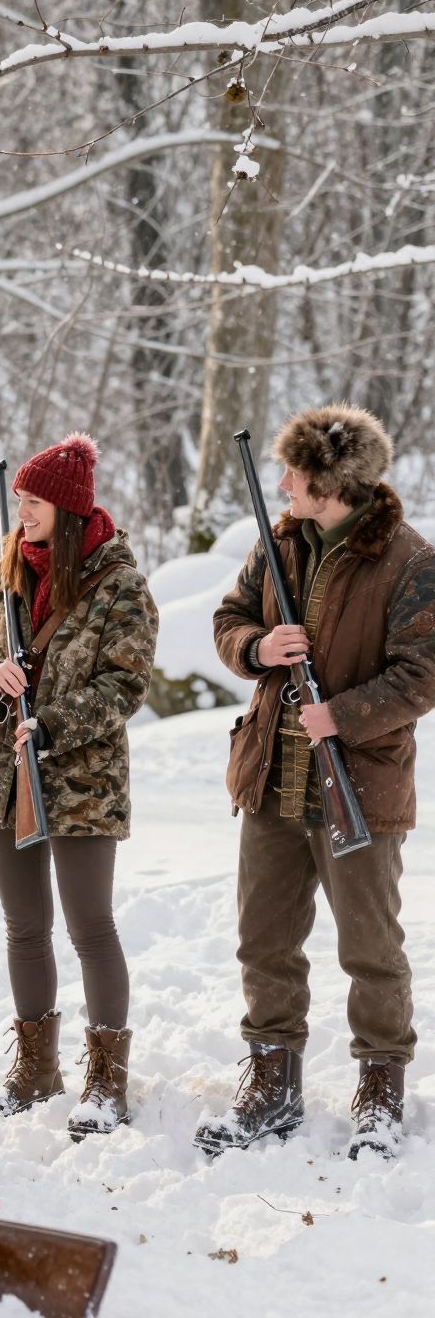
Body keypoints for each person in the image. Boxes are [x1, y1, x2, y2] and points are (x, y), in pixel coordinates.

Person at [197, 406, 432, 1160]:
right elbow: (228, 620)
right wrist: (259, 645)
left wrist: (344, 716)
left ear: (328, 484)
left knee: (370, 946)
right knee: (263, 940)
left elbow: (422, 674)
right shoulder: (280, 543)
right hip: (272, 776)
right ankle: (271, 1081)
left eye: (293, 474)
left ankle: (381, 1089)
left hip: (360, 784)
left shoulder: (408, 560)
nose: (281, 484)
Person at [0, 435, 156, 1138]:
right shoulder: (9, 569)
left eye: (32, 502)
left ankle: (107, 1081)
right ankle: (37, 1070)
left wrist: (51, 724)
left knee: (90, 925)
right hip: (5, 776)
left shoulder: (120, 585)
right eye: (19, 501)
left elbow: (125, 686)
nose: (21, 513)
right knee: (24, 927)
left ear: (66, 511)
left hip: (83, 781)